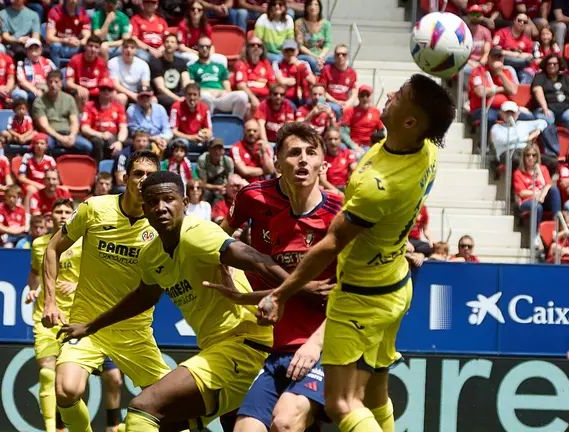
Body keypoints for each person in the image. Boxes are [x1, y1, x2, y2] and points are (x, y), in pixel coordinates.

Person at [255, 74, 455, 432]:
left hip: (361, 297)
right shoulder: (427, 151)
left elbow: (331, 244)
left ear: (410, 122)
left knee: (343, 402)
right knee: (375, 396)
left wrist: (280, 294)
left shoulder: (378, 186)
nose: (389, 94)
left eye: (400, 96)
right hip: (396, 284)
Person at [57, 169, 295, 431]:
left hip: (244, 346)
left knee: (142, 409)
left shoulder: (197, 232)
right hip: (218, 352)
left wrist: (300, 286)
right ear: (144, 210)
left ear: (184, 203)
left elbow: (256, 260)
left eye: (168, 199)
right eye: (152, 202)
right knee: (161, 424)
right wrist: (91, 326)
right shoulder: (151, 255)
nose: (161, 207)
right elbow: (142, 298)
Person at [209, 122, 341, 432]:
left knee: (284, 422)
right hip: (275, 341)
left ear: (323, 164)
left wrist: (316, 344)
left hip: (326, 346)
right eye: (294, 153)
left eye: (311, 153)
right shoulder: (275, 218)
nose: (303, 160)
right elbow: (219, 241)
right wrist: (241, 293)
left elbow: (358, 290)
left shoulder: (341, 215)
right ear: (277, 162)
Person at [38, 151, 171, 432]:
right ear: (125, 178)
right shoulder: (94, 208)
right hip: (86, 326)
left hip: (135, 333)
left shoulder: (162, 223)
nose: (143, 180)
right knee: (66, 389)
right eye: (138, 173)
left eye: (150, 175)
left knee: (172, 406)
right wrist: (50, 302)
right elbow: (52, 248)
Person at [26, 197, 82, 432]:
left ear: (72, 216)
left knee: (68, 382)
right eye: (58, 211)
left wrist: (77, 284)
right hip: (46, 318)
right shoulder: (39, 244)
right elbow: (34, 272)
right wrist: (32, 289)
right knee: (47, 373)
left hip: (76, 319)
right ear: (51, 216)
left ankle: (63, 426)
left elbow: (96, 276)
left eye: (67, 212)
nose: (62, 215)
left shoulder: (83, 242)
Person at [32, 71, 94, 157]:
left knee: (87, 146)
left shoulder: (69, 99)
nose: (53, 85)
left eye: (56, 82)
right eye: (50, 82)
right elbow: (44, 126)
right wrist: (60, 138)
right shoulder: (39, 101)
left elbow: (74, 121)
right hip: (51, 135)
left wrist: (72, 136)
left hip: (68, 134)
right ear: (46, 83)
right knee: (44, 147)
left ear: (61, 83)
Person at [188, 36, 250, 118]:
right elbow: (192, 88)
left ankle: (235, 123)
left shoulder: (220, 66)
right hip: (204, 96)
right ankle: (206, 123)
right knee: (206, 97)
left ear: (211, 48)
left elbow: (227, 88)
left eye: (207, 46)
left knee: (242, 96)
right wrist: (208, 91)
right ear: (197, 48)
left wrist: (223, 92)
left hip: (221, 97)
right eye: (202, 46)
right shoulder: (192, 67)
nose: (205, 49)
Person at [531, 54, 569, 132]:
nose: (552, 66)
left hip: (565, 108)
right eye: (549, 64)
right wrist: (545, 108)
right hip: (547, 108)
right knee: (548, 120)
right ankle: (550, 139)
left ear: (559, 65)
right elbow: (537, 90)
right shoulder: (540, 77)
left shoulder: (565, 77)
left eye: (554, 64)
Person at [489, 101, 553, 169]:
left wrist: (537, 131)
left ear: (517, 114)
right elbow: (503, 140)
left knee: (552, 162)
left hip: (525, 152)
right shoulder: (496, 128)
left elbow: (543, 122)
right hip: (506, 152)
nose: (510, 115)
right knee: (516, 159)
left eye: (512, 113)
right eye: (507, 113)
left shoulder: (522, 124)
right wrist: (526, 138)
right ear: (501, 114)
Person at [513, 143, 562, 226]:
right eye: (528, 155)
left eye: (533, 155)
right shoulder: (518, 173)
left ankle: (557, 222)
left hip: (542, 199)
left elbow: (548, 185)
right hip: (527, 201)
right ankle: (536, 232)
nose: (530, 157)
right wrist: (539, 194)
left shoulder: (543, 169)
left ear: (537, 157)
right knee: (537, 206)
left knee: (554, 190)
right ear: (523, 157)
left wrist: (542, 196)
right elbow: (522, 193)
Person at [81, 78, 128, 161]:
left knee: (120, 144)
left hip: (113, 136)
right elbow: (85, 128)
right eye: (103, 89)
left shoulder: (118, 107)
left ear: (113, 91)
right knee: (98, 142)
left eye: (109, 89)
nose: (106, 91)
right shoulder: (90, 106)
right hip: (96, 135)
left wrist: (120, 142)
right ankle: (97, 167)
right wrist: (101, 134)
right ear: (99, 90)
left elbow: (123, 128)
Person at [151, 33, 192, 111]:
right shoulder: (156, 63)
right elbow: (161, 88)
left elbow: (186, 82)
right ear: (163, 44)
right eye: (167, 41)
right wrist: (178, 99)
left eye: (172, 42)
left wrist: (186, 96)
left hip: (179, 93)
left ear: (176, 46)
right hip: (163, 95)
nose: (169, 44)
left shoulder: (181, 62)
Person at [127, 86, 173, 155]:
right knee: (146, 145)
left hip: (160, 138)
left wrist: (163, 139)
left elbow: (167, 129)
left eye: (147, 96)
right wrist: (153, 138)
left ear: (151, 97)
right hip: (143, 140)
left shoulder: (160, 108)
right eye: (142, 97)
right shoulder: (132, 110)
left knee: (173, 145)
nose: (145, 99)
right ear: (138, 98)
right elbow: (135, 132)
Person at [340, 85, 384, 156]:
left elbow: (381, 132)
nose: (365, 98)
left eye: (367, 95)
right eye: (362, 95)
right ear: (358, 97)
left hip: (369, 146)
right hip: (353, 145)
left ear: (371, 97)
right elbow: (342, 132)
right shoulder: (350, 111)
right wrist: (354, 146)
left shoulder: (376, 112)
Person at [65, 35, 108, 107]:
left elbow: (104, 83)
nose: (93, 49)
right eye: (90, 46)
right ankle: (83, 114)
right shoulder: (75, 60)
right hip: (80, 92)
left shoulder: (101, 63)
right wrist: (79, 88)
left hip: (95, 92)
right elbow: (69, 83)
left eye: (96, 47)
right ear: (85, 46)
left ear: (99, 49)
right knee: (83, 94)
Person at [169, 83, 212, 154]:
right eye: (189, 94)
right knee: (183, 143)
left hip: (198, 139)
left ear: (199, 96)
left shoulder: (204, 108)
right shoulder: (176, 107)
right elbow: (173, 131)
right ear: (185, 96)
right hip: (182, 140)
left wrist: (205, 135)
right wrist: (191, 138)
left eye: (195, 95)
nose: (192, 98)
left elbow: (209, 130)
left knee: (213, 142)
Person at [46, 0, 91, 67]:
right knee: (55, 46)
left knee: (89, 47)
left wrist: (79, 42)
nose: (74, 1)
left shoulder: (83, 13)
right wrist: (65, 40)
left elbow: (87, 37)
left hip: (75, 46)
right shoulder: (55, 11)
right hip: (60, 45)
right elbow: (49, 38)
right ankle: (56, 71)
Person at [318, 44, 358, 119]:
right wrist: (336, 101)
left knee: (356, 111)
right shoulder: (326, 70)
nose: (340, 56)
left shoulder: (352, 73)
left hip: (345, 103)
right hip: (330, 102)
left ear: (347, 56)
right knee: (336, 109)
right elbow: (321, 91)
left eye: (343, 54)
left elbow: (354, 93)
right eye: (338, 54)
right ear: (334, 56)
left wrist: (347, 104)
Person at [108, 39, 152, 107]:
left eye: (132, 48)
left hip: (138, 93)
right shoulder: (113, 62)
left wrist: (141, 95)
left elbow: (145, 85)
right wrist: (132, 95)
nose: (129, 50)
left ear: (136, 50)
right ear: (121, 49)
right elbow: (115, 85)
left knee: (153, 100)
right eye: (126, 47)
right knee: (121, 98)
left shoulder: (143, 64)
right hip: (121, 92)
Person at [14, 39, 57, 103]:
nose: (33, 50)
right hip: (29, 89)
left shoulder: (48, 61)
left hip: (46, 87)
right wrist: (35, 90)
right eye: (31, 48)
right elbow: (22, 81)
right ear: (26, 51)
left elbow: (57, 76)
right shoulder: (21, 64)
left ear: (41, 50)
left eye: (36, 48)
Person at [294, 0, 331, 75]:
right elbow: (300, 46)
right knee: (312, 61)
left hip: (321, 55)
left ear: (320, 7)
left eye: (316, 4)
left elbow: (327, 43)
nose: (313, 7)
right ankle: (317, 78)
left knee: (333, 60)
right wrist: (315, 57)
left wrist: (321, 56)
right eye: (310, 4)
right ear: (306, 7)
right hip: (306, 55)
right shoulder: (299, 23)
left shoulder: (326, 24)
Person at [255, 0, 295, 64]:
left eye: (280, 4)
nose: (277, 6)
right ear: (270, 7)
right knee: (279, 60)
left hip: (283, 53)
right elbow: (258, 40)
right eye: (274, 4)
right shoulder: (263, 18)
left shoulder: (289, 19)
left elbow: (290, 40)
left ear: (284, 7)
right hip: (266, 52)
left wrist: (289, 55)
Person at [196, 138, 233, 203]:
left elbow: (230, 180)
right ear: (209, 150)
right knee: (205, 194)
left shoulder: (228, 161)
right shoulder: (202, 160)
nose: (217, 151)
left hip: (223, 187)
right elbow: (203, 184)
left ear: (223, 150)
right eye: (214, 148)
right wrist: (217, 187)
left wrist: (224, 188)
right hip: (207, 187)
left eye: (220, 149)